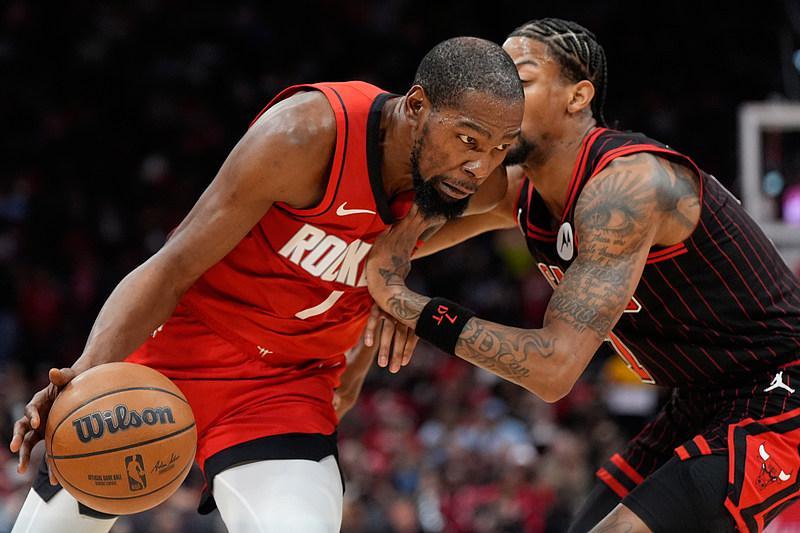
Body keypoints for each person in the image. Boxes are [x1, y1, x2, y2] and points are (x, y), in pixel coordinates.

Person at [9, 37, 524, 533]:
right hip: (180, 349)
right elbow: (172, 266)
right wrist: (81, 376)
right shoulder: (304, 137)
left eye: (500, 147)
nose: (479, 165)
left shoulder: (465, 185)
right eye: (468, 140)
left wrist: (397, 272)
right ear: (416, 106)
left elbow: (536, 189)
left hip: (285, 386)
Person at [365, 18, 800, 533]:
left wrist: (410, 308)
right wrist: (388, 264)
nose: (502, 94)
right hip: (698, 396)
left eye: (520, 80)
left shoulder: (629, 187)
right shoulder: (519, 191)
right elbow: (385, 245)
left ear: (578, 96)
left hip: (781, 393)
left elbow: (553, 369)